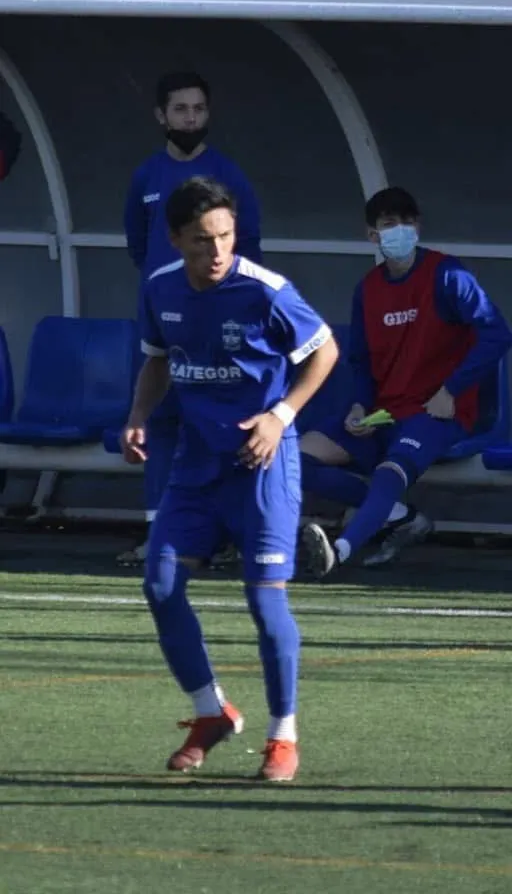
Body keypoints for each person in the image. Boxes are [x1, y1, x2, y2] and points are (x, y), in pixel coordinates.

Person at [121, 177, 338, 781]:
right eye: (201, 239)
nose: (217, 250)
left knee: (264, 601)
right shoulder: (160, 289)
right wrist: (138, 415)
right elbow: (157, 360)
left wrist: (279, 415)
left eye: (225, 236)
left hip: (262, 466)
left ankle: (283, 736)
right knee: (160, 585)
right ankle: (210, 711)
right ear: (175, 239)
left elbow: (324, 352)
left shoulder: (266, 291)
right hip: (197, 466)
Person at [301, 186, 512, 574]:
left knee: (390, 471)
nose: (400, 230)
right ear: (372, 235)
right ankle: (401, 516)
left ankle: (340, 550)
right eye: (389, 223)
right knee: (292, 459)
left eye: (407, 222)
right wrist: (360, 405)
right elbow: (362, 361)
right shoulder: (368, 289)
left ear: (417, 227)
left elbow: (497, 334)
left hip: (436, 412)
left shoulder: (447, 275)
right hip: (383, 413)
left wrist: (451, 390)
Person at [120, 71, 262, 565]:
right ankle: (159, 536)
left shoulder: (228, 175)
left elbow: (250, 248)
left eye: (198, 109)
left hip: (219, 324)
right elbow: (138, 245)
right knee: (159, 422)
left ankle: (225, 536)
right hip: (165, 321)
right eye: (181, 109)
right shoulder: (146, 176)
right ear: (161, 115)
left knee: (218, 425)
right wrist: (167, 292)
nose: (190, 118)